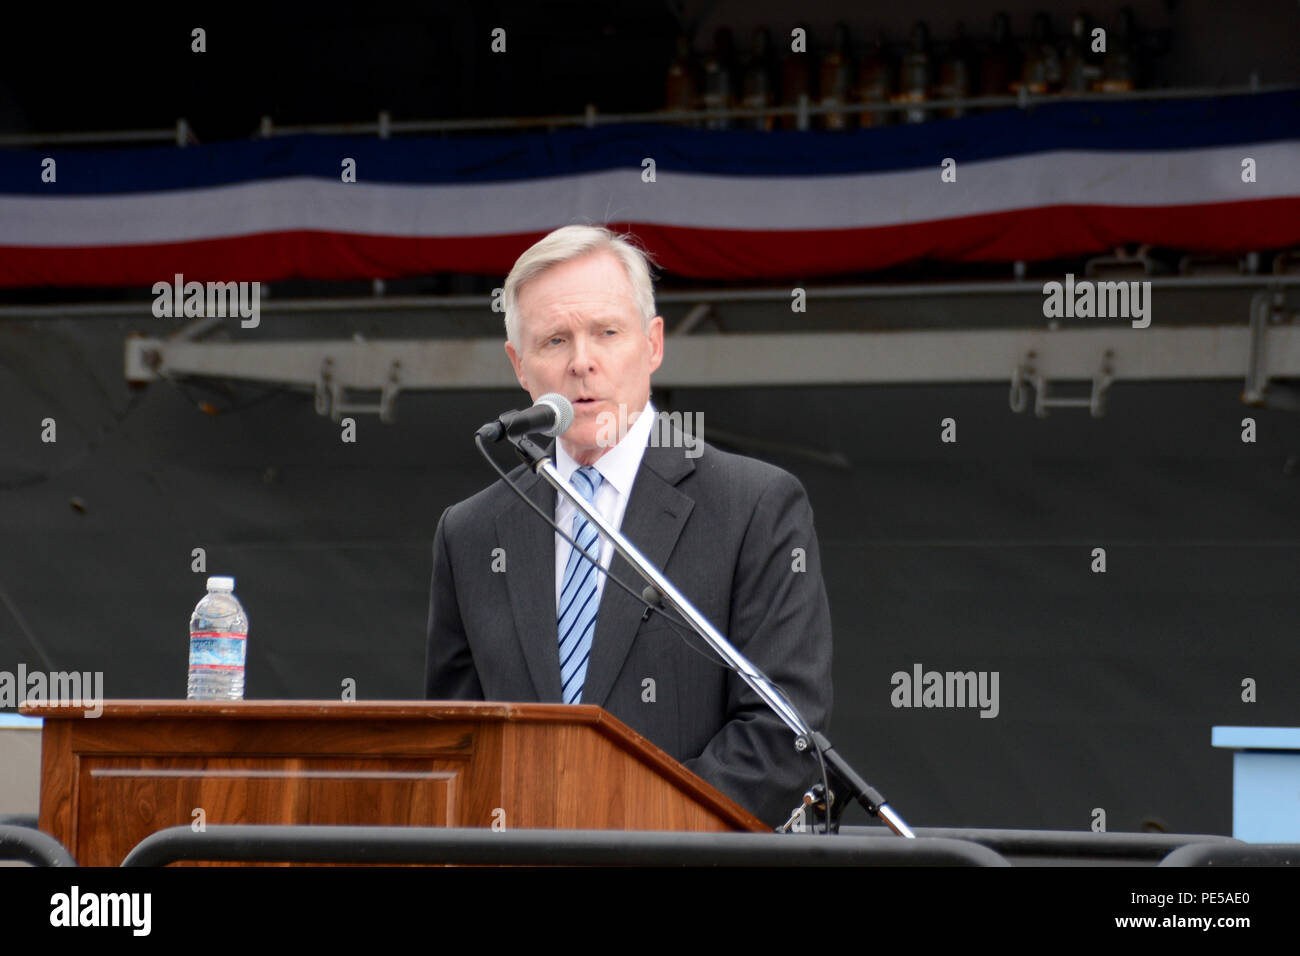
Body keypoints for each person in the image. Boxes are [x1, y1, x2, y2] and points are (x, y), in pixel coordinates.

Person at [425, 225, 833, 827]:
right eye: (555, 340)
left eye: (606, 333)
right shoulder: (471, 531)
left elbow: (781, 737)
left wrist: (625, 837)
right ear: (519, 365)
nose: (581, 362)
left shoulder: (755, 506)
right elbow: (453, 747)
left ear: (653, 344)